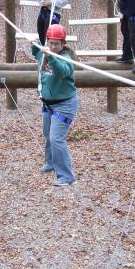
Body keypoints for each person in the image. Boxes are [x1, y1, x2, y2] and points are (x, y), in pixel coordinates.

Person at [32, 24, 78, 187]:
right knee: (48, 135)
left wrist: (50, 56)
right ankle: (51, 163)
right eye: (50, 43)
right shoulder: (43, 53)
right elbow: (35, 51)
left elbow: (61, 71)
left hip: (65, 105)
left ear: (63, 44)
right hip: (48, 104)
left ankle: (66, 175)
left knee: (56, 138)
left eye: (57, 44)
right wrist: (35, 43)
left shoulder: (66, 58)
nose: (53, 46)